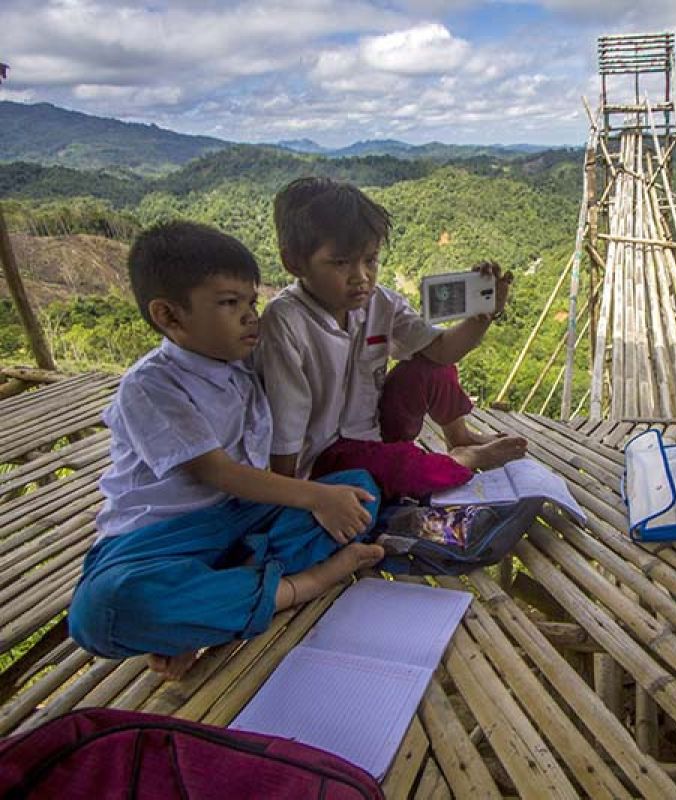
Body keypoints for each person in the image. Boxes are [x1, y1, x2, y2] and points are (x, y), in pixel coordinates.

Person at [68, 221, 385, 680]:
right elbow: (214, 471)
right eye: (229, 303)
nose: (249, 316)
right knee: (104, 610)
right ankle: (302, 585)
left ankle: (214, 611)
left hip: (244, 521)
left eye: (251, 302)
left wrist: (327, 495)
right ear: (169, 316)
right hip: (162, 541)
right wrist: (314, 496)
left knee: (358, 492)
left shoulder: (242, 364)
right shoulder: (151, 384)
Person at [256, 177, 526, 500]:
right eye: (341, 263)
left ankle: (460, 437)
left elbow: (442, 350)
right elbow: (286, 427)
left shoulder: (381, 302)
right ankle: (463, 459)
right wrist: (291, 495)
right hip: (325, 460)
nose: (361, 276)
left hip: (375, 432)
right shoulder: (284, 321)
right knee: (403, 468)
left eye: (370, 259)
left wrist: (483, 316)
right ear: (294, 263)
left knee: (432, 366)